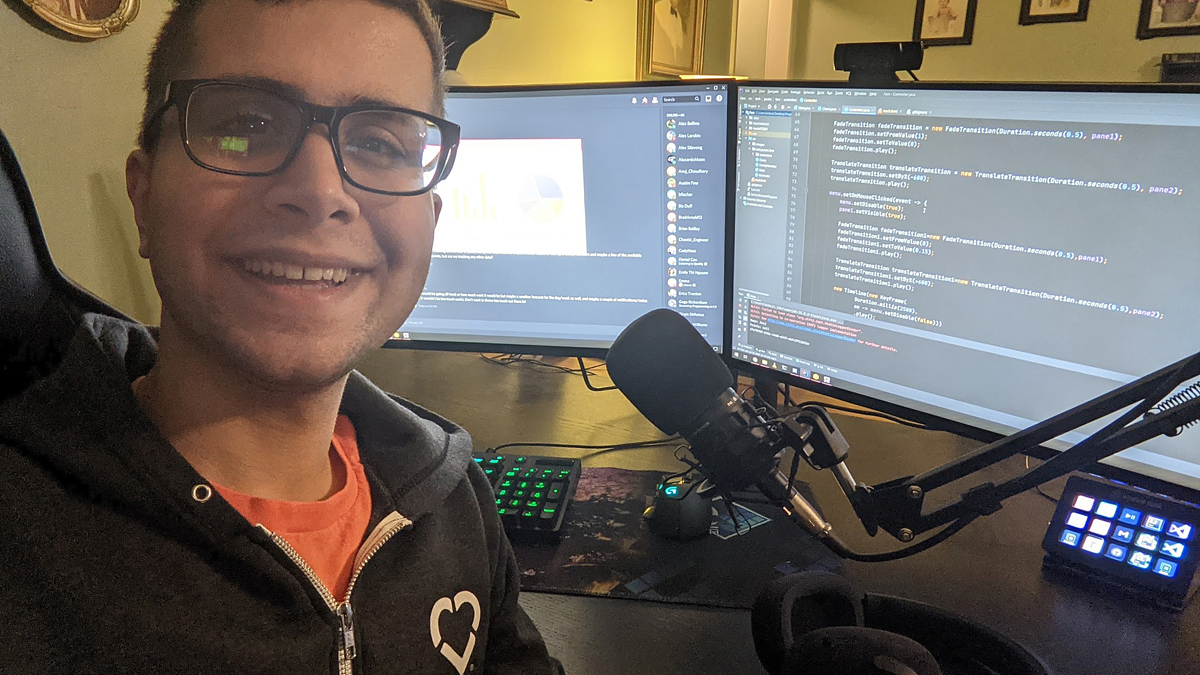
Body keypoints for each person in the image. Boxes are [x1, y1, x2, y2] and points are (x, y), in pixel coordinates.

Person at [0, 0, 564, 673]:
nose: (319, 188)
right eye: (246, 124)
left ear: (431, 219)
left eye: (381, 143)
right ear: (143, 195)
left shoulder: (453, 500)